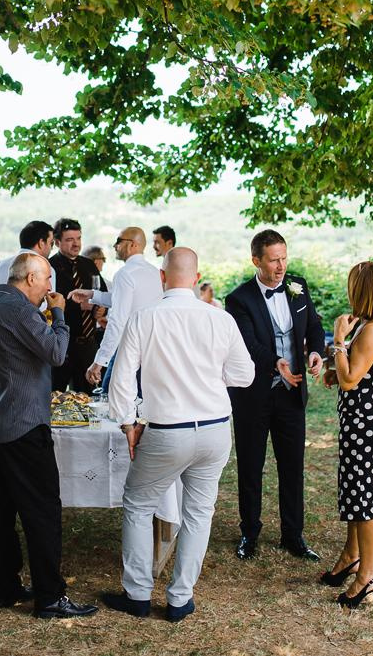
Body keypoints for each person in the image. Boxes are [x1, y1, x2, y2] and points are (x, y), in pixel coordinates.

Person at [101, 248, 255, 622]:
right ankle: (180, 599)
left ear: (162, 277)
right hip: (216, 429)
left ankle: (137, 595)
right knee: (199, 514)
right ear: (197, 276)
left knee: (138, 505)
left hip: (167, 431)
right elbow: (244, 375)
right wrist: (210, 377)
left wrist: (127, 423)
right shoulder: (220, 319)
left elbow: (120, 381)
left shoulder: (145, 317)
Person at [0, 253, 98, 619]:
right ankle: (50, 597)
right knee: (42, 511)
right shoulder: (20, 310)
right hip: (24, 424)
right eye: (46, 282)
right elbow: (57, 353)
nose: (49, 290)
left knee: (1, 511)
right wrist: (60, 315)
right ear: (28, 278)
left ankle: (4, 588)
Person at [223, 229, 326, 561]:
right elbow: (247, 343)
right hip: (253, 395)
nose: (281, 266)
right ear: (256, 261)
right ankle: (249, 533)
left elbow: (312, 325)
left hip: (292, 393)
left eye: (284, 258)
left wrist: (316, 353)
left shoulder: (298, 287)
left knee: (292, 466)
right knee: (251, 466)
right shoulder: (239, 299)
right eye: (273, 260)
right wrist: (274, 362)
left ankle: (292, 535)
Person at [322, 262, 373, 610]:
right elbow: (356, 374)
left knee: (363, 496)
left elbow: (351, 379)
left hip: (365, 423)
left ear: (363, 290)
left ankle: (368, 574)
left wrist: (338, 340)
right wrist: (334, 370)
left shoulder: (371, 331)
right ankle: (352, 556)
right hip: (366, 418)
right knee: (353, 491)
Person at [67, 227, 163, 388]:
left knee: (110, 397)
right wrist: (92, 294)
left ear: (132, 245)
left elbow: (117, 320)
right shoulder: (155, 273)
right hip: (153, 350)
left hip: (129, 351)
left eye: (119, 241)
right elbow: (127, 301)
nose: (115, 246)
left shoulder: (125, 274)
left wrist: (99, 361)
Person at [48, 218, 107, 392]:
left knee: (88, 398)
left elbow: (102, 294)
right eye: (70, 239)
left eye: (78, 238)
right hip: (62, 345)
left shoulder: (88, 264)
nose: (76, 244)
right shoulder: (50, 267)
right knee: (55, 396)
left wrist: (101, 309)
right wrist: (78, 307)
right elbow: (47, 301)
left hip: (88, 344)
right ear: (57, 242)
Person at [0, 221, 55, 305]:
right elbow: (46, 305)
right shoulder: (46, 269)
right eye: (51, 243)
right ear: (41, 243)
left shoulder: (0, 265)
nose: (52, 248)